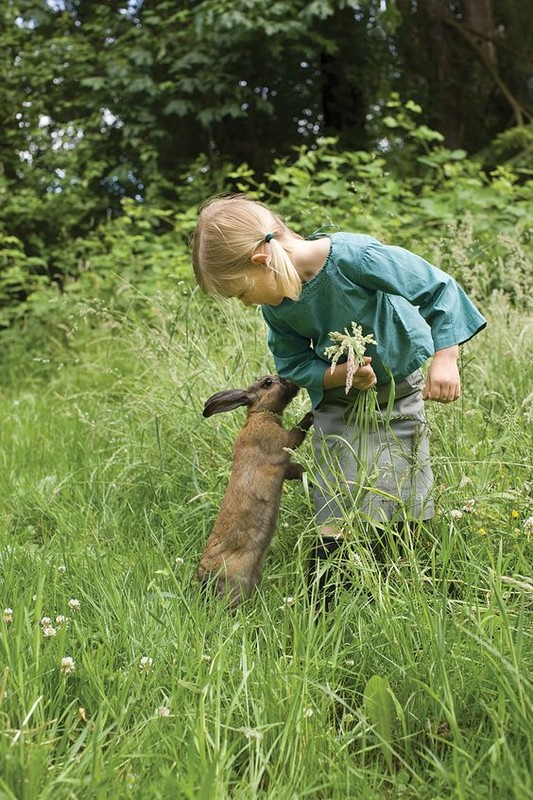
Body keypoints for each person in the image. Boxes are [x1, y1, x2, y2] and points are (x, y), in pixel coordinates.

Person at [191, 193, 486, 604]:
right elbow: (292, 363)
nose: (246, 303)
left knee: (405, 485)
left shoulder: (353, 257)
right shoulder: (278, 306)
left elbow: (436, 287)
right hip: (336, 402)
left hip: (398, 390)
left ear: (261, 261)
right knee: (337, 491)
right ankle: (324, 604)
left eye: (241, 292)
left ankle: (417, 585)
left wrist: (446, 357)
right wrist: (338, 374)